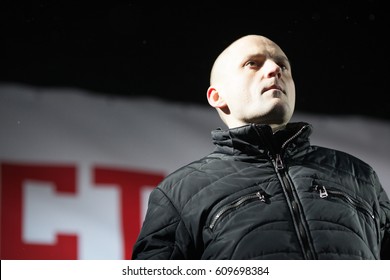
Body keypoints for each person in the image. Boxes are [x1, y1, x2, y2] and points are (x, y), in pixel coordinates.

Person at [131, 34, 390, 260]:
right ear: (216, 96)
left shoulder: (361, 177)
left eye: (283, 66)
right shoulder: (179, 194)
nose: (274, 70)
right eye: (252, 64)